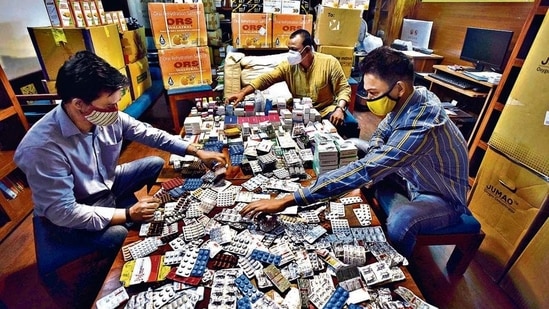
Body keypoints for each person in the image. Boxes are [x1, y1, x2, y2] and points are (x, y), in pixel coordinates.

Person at [241, 46, 470, 258]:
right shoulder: (411, 96)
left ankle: (399, 266)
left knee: (401, 221)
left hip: (439, 195)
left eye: (373, 93)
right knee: (354, 144)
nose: (369, 99)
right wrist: (376, 157)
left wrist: (290, 199)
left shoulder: (422, 124)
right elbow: (382, 131)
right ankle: (369, 187)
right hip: (409, 175)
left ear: (399, 88)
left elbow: (365, 168)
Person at [14, 51, 226, 269]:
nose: (116, 111)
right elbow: (63, 212)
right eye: (109, 105)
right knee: (119, 233)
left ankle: (119, 205)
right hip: (76, 207)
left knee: (153, 163)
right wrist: (127, 213)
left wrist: (197, 151)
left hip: (106, 183)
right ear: (79, 104)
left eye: (117, 102)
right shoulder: (40, 147)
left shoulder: (105, 114)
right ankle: (104, 264)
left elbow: (150, 134)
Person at [225, 29, 352, 131]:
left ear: (307, 50)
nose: (290, 53)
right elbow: (266, 79)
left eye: (294, 50)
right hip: (298, 110)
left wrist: (339, 109)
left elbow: (343, 89)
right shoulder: (288, 66)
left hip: (324, 110)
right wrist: (243, 93)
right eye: (289, 49)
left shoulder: (329, 62)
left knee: (340, 125)